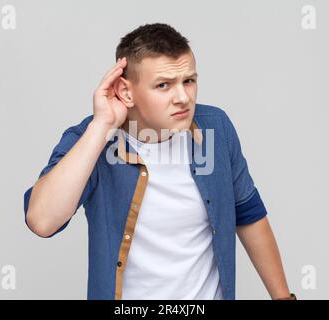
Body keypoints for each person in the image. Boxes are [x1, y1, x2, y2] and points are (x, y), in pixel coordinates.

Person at [23, 23, 296, 300]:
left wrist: (283, 297)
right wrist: (101, 125)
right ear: (126, 92)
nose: (182, 98)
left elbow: (248, 214)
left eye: (188, 81)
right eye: (163, 85)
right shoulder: (91, 139)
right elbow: (42, 221)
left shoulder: (217, 129)